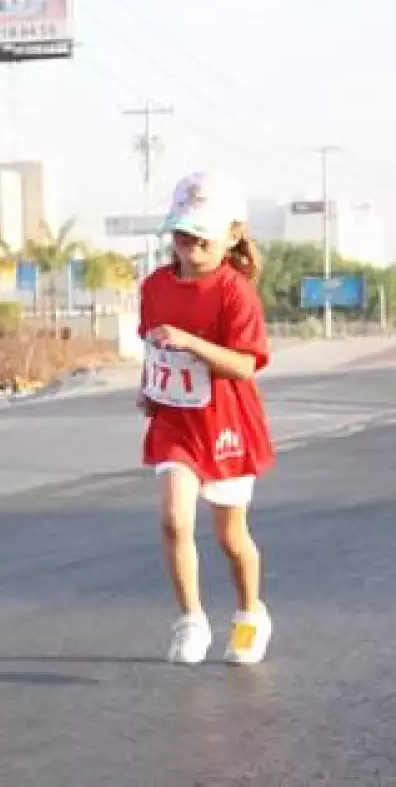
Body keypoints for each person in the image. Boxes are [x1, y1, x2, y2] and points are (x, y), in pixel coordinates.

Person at [137, 171, 275, 667]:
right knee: (174, 520)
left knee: (230, 538)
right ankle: (191, 618)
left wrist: (192, 342)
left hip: (226, 422)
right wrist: (149, 390)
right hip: (176, 422)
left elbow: (245, 363)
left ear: (232, 236)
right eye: (182, 236)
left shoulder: (236, 292)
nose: (191, 248)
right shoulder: (153, 287)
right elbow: (155, 347)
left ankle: (249, 613)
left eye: (203, 239)